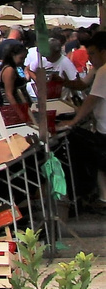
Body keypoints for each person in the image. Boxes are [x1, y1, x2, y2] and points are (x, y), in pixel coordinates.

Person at [59, 32, 106, 209]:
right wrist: (63, 82)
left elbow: (91, 100)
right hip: (101, 125)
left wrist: (72, 122)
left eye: (92, 54)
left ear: (103, 51)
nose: (90, 58)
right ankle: (103, 198)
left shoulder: (103, 70)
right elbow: (83, 85)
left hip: (104, 128)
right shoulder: (98, 69)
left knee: (99, 161)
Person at [0, 43, 31, 127]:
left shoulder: (12, 68)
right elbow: (9, 94)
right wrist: (20, 114)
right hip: (12, 113)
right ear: (12, 55)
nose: (23, 61)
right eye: (21, 58)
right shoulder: (9, 70)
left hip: (18, 110)